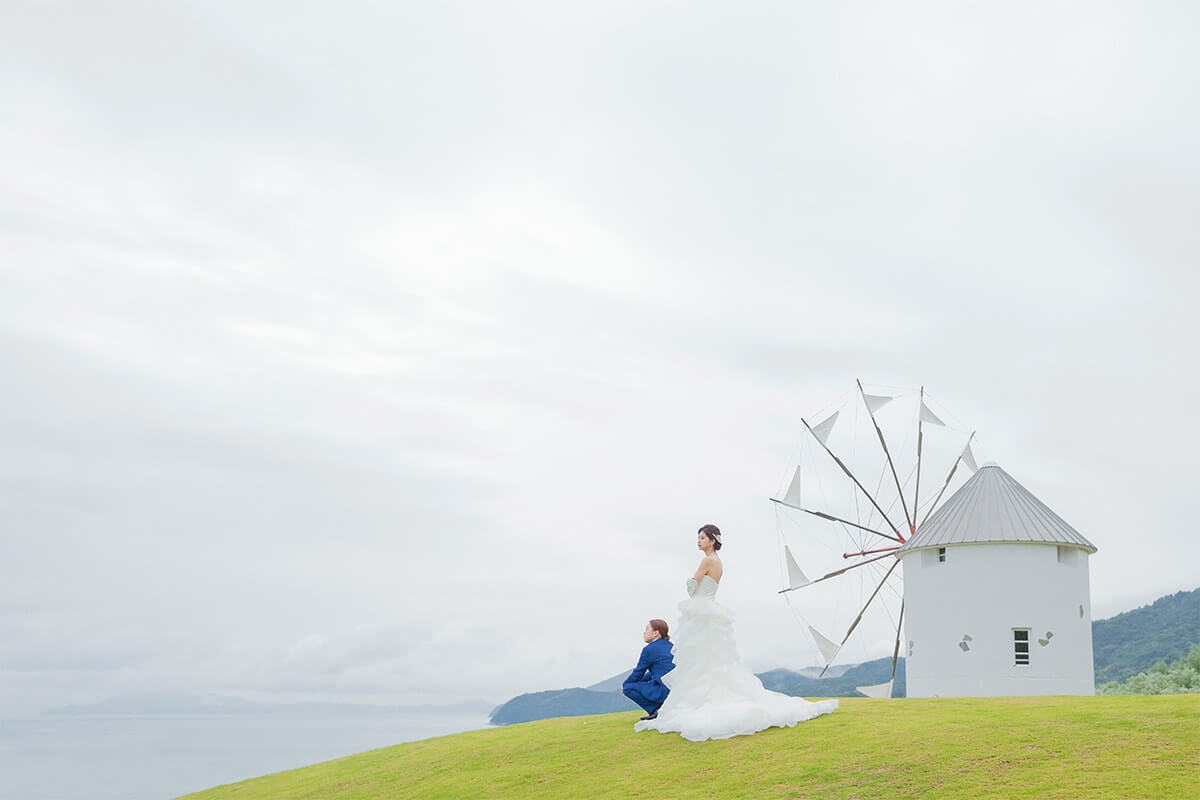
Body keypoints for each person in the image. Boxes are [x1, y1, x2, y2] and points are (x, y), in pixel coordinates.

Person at [635, 524, 839, 741]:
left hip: (700, 611)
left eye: (702, 537)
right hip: (709, 611)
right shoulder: (719, 563)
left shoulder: (707, 561)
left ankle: (703, 700)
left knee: (700, 658)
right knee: (711, 658)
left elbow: (692, 588)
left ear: (712, 540)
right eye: (698, 537)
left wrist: (689, 581)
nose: (699, 541)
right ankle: (710, 697)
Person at [622, 619, 675, 721]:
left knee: (628, 687)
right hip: (676, 690)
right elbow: (658, 671)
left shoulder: (650, 649)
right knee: (637, 682)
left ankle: (656, 710)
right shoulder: (671, 646)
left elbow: (638, 672)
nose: (644, 632)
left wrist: (625, 685)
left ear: (656, 633)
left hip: (663, 691)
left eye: (647, 629)